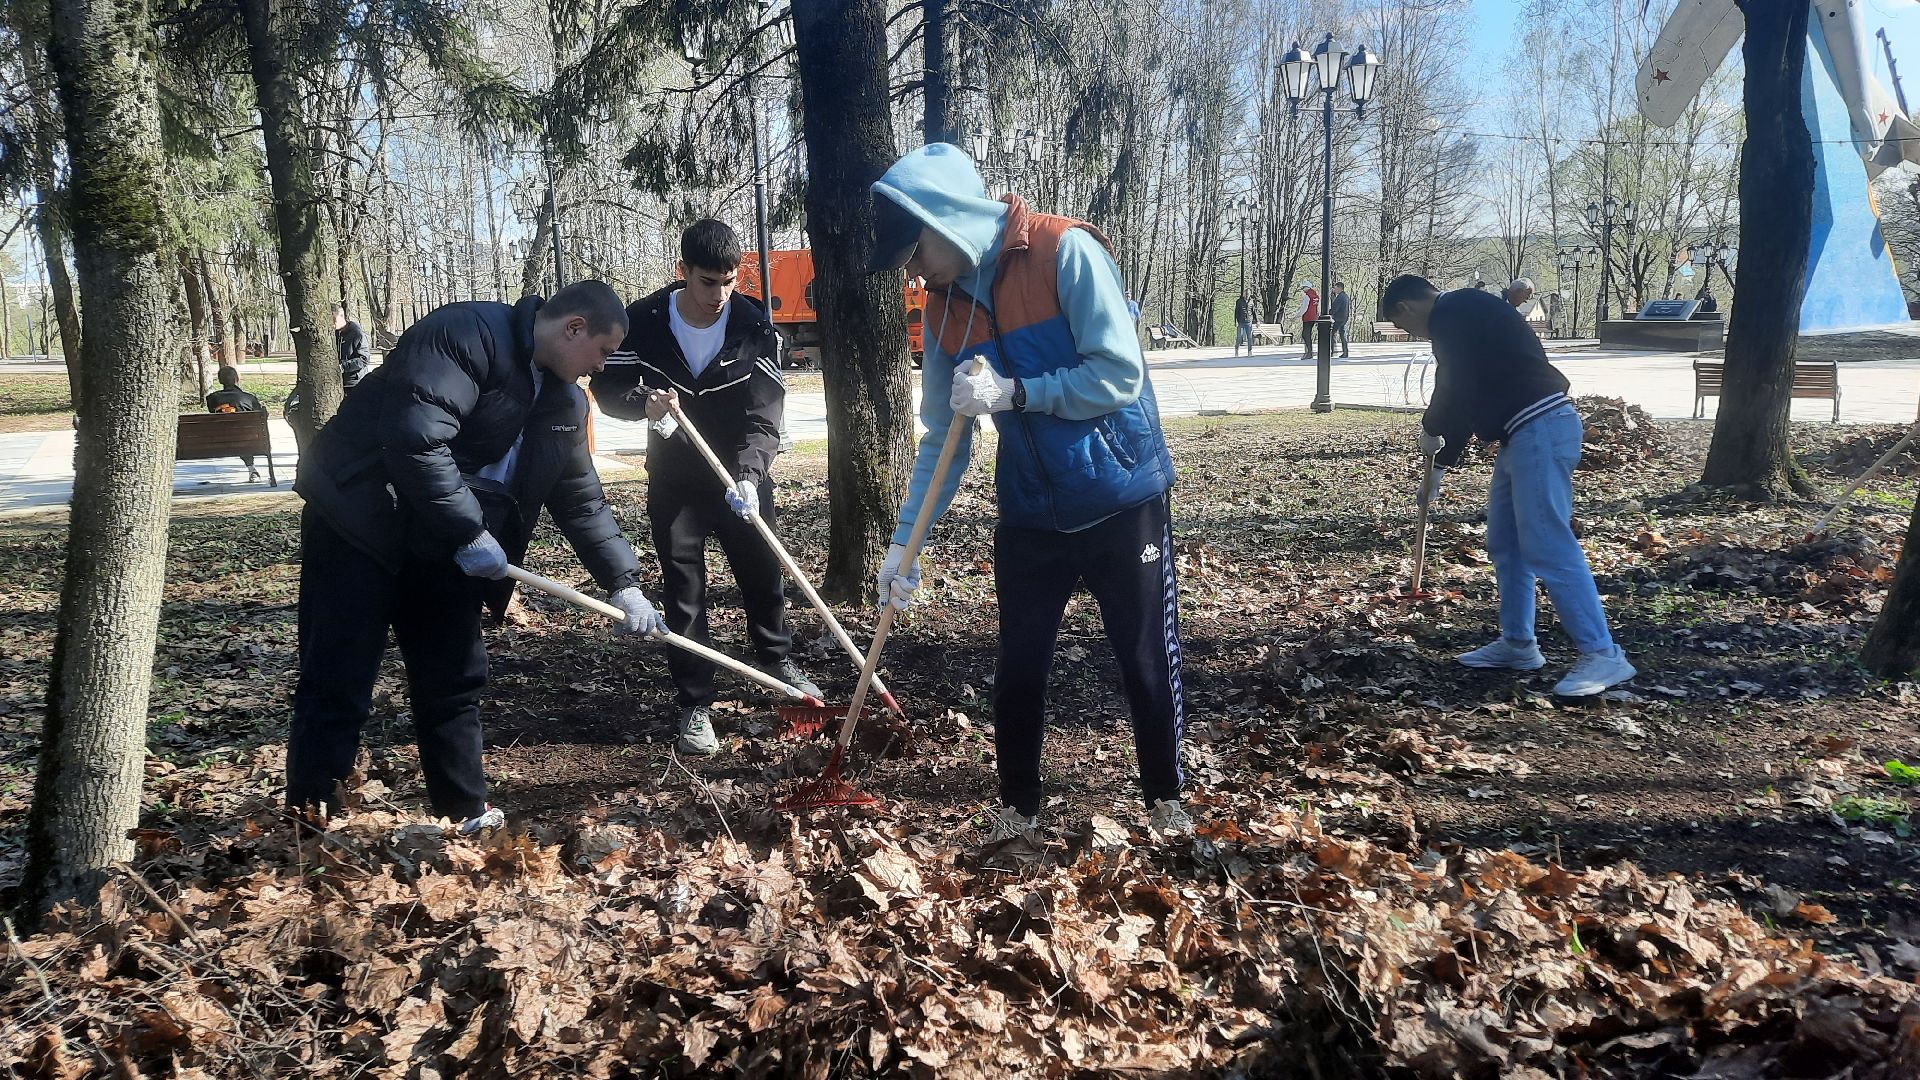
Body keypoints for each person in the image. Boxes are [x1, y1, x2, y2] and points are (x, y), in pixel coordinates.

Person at [866, 142, 1190, 843]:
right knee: (1018, 666)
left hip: (1120, 495)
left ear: (946, 217)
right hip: (1030, 509)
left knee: (1143, 657)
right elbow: (942, 437)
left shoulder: (1062, 252)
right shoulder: (944, 309)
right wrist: (904, 545)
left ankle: (1166, 799)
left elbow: (1118, 374)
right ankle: (1017, 811)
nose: (914, 272)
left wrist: (1017, 393)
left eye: (915, 252)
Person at [288, 281, 662, 832]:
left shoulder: (563, 402)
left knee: (453, 677)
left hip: (442, 540)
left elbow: (580, 500)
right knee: (339, 677)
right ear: (574, 327)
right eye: (603, 351)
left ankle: (464, 813)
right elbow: (416, 439)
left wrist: (623, 583)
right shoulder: (466, 334)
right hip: (359, 521)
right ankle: (309, 824)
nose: (602, 367)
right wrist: (469, 530)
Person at [591, 220, 819, 757]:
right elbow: (607, 385)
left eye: (728, 281)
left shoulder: (753, 324)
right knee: (684, 591)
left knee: (762, 574)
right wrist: (643, 404)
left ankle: (776, 660)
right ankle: (694, 702)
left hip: (741, 475)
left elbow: (765, 414)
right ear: (683, 272)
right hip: (675, 480)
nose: (719, 295)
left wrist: (750, 475)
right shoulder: (643, 321)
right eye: (707, 281)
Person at [1379, 274, 1637, 698]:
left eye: (1403, 325)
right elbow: (1468, 389)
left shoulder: (1453, 312)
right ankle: (1518, 644)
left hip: (1542, 426)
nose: (1412, 333)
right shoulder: (1466, 312)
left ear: (1406, 308)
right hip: (1521, 434)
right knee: (1507, 544)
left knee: (1547, 543)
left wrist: (1432, 430)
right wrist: (1440, 463)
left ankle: (1604, 654)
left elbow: (1453, 384)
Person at [206, 365, 265, 483]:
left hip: (219, 441)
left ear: (220, 381)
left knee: (235, 434)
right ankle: (252, 469)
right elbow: (260, 419)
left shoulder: (212, 398)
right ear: (236, 379)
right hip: (247, 440)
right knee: (243, 435)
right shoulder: (250, 398)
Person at [335, 304, 372, 388]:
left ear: (341, 316)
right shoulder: (335, 333)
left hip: (355, 382)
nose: (332, 323)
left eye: (334, 319)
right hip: (340, 382)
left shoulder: (357, 333)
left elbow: (364, 359)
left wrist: (343, 367)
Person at [1329, 281, 1352, 358]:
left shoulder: (1340, 297)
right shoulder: (1345, 296)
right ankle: (1345, 352)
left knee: (1332, 334)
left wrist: (1330, 313)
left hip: (1338, 318)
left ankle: (1332, 351)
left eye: (1335, 288)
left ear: (1339, 288)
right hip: (1344, 318)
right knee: (1342, 335)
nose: (1334, 290)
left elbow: (1335, 308)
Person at [1295, 284, 1319, 358]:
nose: (1303, 289)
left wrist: (1297, 315)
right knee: (1307, 334)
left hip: (1307, 317)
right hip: (1313, 317)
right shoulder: (1316, 296)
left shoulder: (1307, 296)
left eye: (1303, 288)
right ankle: (1309, 352)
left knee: (1305, 335)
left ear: (1307, 287)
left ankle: (1309, 352)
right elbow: (1317, 307)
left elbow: (1304, 308)